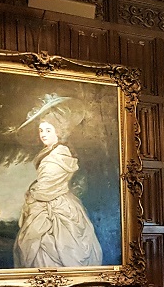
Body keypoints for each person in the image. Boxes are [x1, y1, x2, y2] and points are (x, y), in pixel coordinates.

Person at [12, 95, 103, 268]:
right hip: (49, 204)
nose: (43, 135)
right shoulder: (51, 152)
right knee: (35, 250)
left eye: (48, 130)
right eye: (41, 130)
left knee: (51, 247)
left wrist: (32, 193)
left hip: (57, 209)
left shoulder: (58, 155)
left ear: (58, 132)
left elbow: (46, 188)